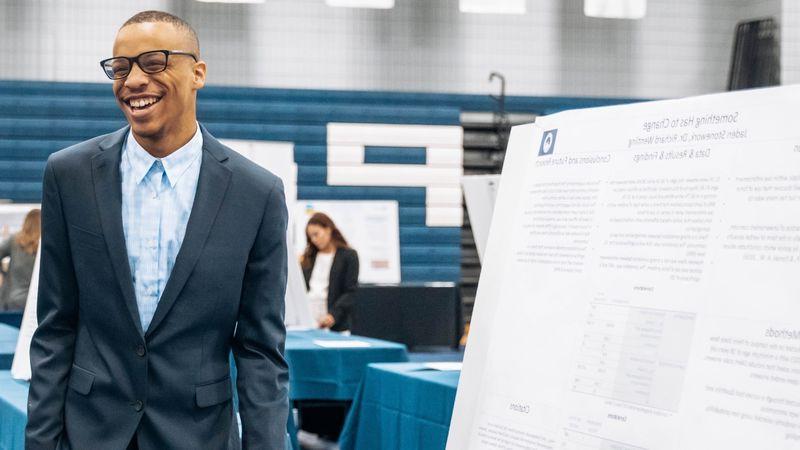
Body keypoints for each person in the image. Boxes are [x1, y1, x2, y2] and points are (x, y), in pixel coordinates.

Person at [26, 11, 289, 450]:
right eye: (121, 67)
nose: (132, 81)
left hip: (199, 437)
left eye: (153, 62)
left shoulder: (256, 193)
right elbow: (55, 329)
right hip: (91, 434)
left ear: (198, 73)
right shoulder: (68, 175)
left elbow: (261, 351)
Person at [300, 212, 359, 332]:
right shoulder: (309, 258)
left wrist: (333, 315)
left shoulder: (348, 256)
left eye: (316, 234)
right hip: (309, 324)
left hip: (336, 326)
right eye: (310, 237)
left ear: (328, 229)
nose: (314, 240)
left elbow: (350, 292)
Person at [0, 209, 40, 311]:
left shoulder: (15, 240)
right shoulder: (46, 245)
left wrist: (3, 273)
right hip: (37, 303)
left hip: (12, 302)